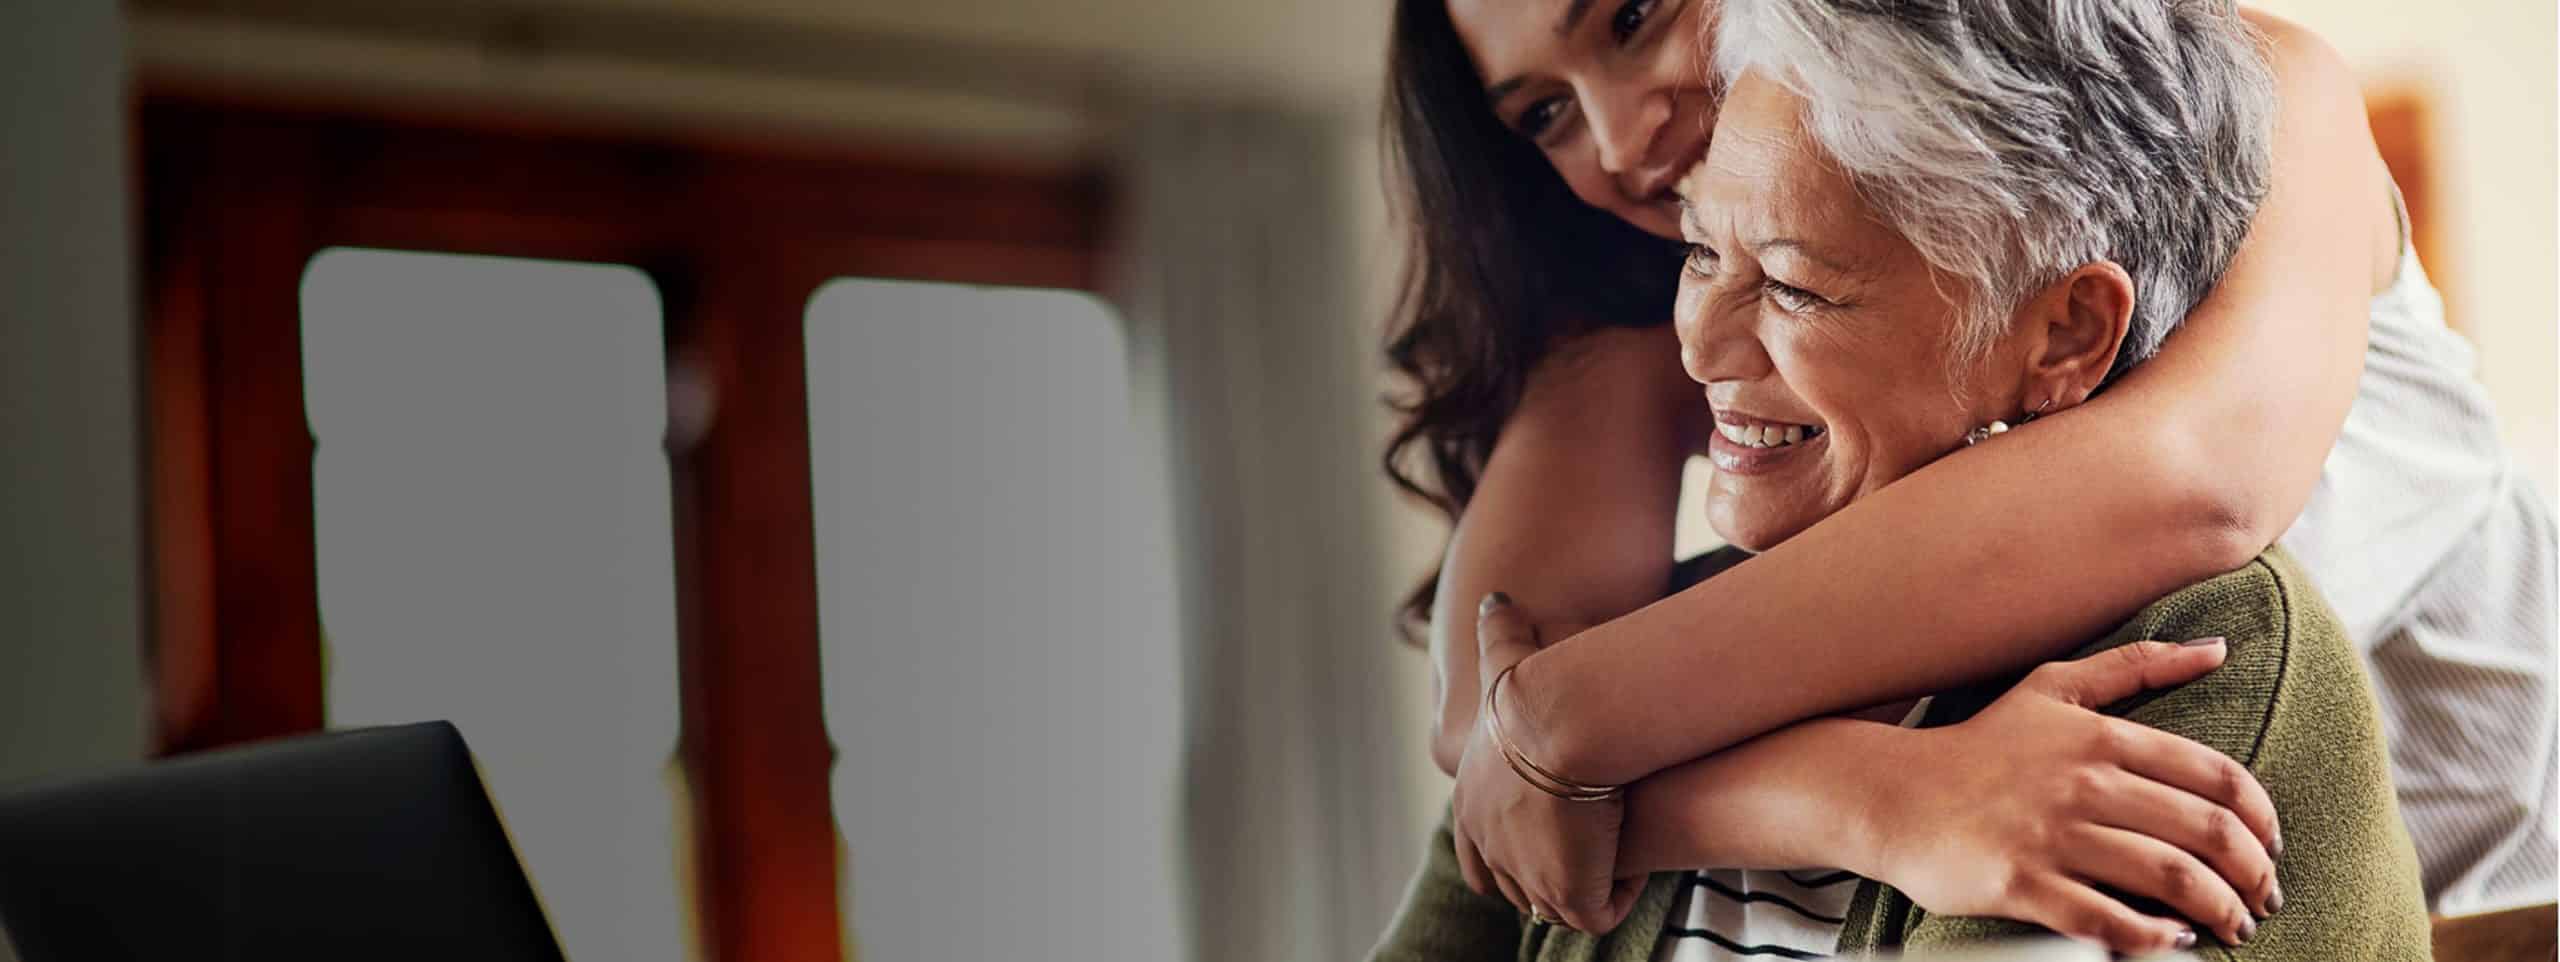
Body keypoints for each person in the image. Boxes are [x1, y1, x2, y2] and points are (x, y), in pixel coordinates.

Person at [1382, 0, 2555, 945]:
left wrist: (1564, 726)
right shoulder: (1682, 289)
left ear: (2064, 338)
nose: (1623, 137)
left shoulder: (2241, 90)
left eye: (1633, 18)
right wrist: (1866, 795)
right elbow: (1493, 729)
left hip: (2515, 865)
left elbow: (2193, 484)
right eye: (1543, 114)